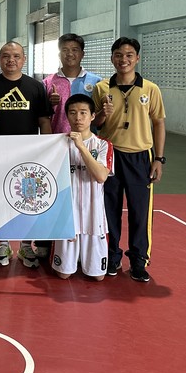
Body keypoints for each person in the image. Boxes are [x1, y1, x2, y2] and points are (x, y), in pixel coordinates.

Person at [0, 41, 52, 268]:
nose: (11, 60)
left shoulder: (35, 87)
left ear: (24, 59)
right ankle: (3, 243)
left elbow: (44, 120)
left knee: (28, 200)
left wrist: (47, 148)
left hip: (28, 154)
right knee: (0, 199)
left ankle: (25, 246)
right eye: (6, 56)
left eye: (16, 56)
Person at [92, 37, 166, 283]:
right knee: (108, 209)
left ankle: (138, 260)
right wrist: (102, 114)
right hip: (109, 155)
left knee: (140, 211)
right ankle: (112, 256)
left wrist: (159, 159)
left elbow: (159, 123)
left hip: (140, 157)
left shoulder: (150, 89)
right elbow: (95, 124)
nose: (123, 59)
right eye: (118, 55)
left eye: (129, 55)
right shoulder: (101, 88)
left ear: (137, 58)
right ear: (112, 58)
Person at [51, 95, 113, 281]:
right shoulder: (57, 144)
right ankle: (73, 256)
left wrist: (81, 147)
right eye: (72, 113)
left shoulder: (103, 145)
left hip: (94, 216)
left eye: (83, 113)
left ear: (93, 116)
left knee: (98, 276)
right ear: (67, 116)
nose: (78, 117)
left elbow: (101, 176)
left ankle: (84, 256)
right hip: (67, 216)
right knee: (64, 274)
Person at [43, 33, 102, 136]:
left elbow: (99, 115)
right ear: (59, 54)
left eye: (74, 50)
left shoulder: (96, 82)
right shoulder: (47, 83)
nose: (70, 54)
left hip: (87, 141)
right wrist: (49, 103)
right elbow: (42, 117)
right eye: (65, 50)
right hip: (58, 139)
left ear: (82, 54)